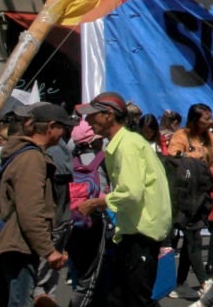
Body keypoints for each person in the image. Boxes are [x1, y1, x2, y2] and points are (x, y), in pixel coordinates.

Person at [75, 91, 172, 307]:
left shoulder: (127, 146)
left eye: (93, 115)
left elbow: (131, 192)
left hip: (141, 234)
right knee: (117, 298)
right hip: (132, 231)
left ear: (109, 115)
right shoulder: (124, 143)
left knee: (136, 299)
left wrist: (96, 202)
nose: (88, 121)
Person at [0, 102, 72, 307]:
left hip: (11, 243)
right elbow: (30, 210)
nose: (65, 133)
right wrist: (49, 250)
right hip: (19, 246)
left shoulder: (22, 153)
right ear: (51, 127)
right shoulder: (32, 158)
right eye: (63, 127)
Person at [167, 103, 213, 294]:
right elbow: (174, 160)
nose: (210, 121)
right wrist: (196, 160)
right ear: (194, 120)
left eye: (211, 117)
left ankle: (180, 283)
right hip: (185, 194)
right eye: (206, 118)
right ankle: (204, 281)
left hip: (203, 192)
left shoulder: (209, 137)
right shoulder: (181, 136)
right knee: (193, 236)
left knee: (193, 235)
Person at [66, 120, 111, 307]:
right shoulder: (102, 160)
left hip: (74, 221)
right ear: (93, 141)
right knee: (91, 280)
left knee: (79, 273)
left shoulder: (71, 161)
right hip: (96, 220)